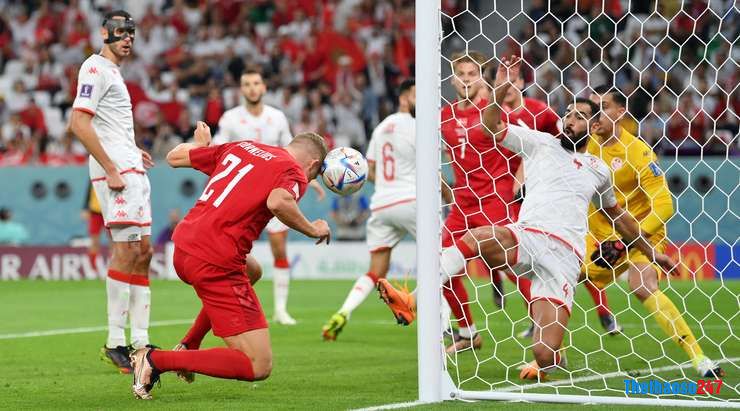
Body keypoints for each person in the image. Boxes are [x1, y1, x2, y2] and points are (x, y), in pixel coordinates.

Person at [379, 56, 676, 381]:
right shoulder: (540, 143)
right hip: (530, 237)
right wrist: (501, 87)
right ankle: (414, 300)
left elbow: (619, 217)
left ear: (592, 127)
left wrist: (652, 252)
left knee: (543, 353)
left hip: (565, 258)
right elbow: (489, 126)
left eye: (579, 116)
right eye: (567, 115)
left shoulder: (599, 170)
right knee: (476, 240)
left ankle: (549, 359)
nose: (570, 120)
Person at [129, 122, 330, 400]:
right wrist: (313, 228)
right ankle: (154, 360)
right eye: (314, 175)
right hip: (215, 261)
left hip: (186, 244)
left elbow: (174, 157)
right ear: (313, 164)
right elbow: (278, 202)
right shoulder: (293, 171)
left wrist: (202, 147)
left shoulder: (244, 147)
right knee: (258, 364)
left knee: (253, 271)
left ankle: (189, 343)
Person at [583, 87, 725, 378]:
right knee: (557, 275)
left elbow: (664, 205)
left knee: (642, 284)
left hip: (638, 235)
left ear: (620, 112)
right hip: (597, 236)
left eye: (604, 107)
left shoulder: (638, 151)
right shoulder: (584, 145)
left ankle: (699, 358)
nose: (596, 115)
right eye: (592, 108)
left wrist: (627, 241)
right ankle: (547, 356)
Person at [68, 10, 155, 374]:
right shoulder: (94, 68)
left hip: (129, 165)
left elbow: (108, 124)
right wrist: (111, 166)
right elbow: (79, 122)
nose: (127, 37)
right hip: (116, 171)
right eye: (120, 31)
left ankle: (140, 339)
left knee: (144, 251)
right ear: (104, 32)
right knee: (125, 250)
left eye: (131, 32)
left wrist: (133, 152)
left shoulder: (115, 73)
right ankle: (115, 341)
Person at [214, 67, 326, 325]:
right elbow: (219, 151)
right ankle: (230, 301)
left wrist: (313, 181)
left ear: (264, 87)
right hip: (242, 196)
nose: (252, 88)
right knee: (232, 250)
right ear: (241, 89)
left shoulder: (276, 117)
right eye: (247, 84)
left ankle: (280, 309)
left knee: (279, 247)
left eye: (256, 83)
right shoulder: (230, 119)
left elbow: (294, 152)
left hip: (275, 190)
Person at [437, 51, 520, 354]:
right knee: (441, 265)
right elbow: (451, 155)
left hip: (493, 199)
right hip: (462, 203)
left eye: (473, 74)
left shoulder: (493, 112)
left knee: (514, 267)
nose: (466, 79)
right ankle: (468, 333)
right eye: (461, 73)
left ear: (481, 78)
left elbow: (519, 151)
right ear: (452, 79)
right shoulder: (444, 116)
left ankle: (546, 335)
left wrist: (514, 184)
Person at [322, 79, 416, 341]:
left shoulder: (381, 127)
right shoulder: (419, 125)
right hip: (412, 200)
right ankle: (450, 329)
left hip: (382, 203)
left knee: (375, 271)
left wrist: (388, 181)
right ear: (405, 98)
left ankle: (344, 311)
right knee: (441, 263)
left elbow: (371, 171)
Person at [81, 184, 105, 267]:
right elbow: (89, 191)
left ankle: (114, 268)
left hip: (110, 211)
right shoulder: (94, 173)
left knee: (114, 242)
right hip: (95, 211)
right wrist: (85, 208)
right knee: (94, 241)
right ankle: (92, 269)